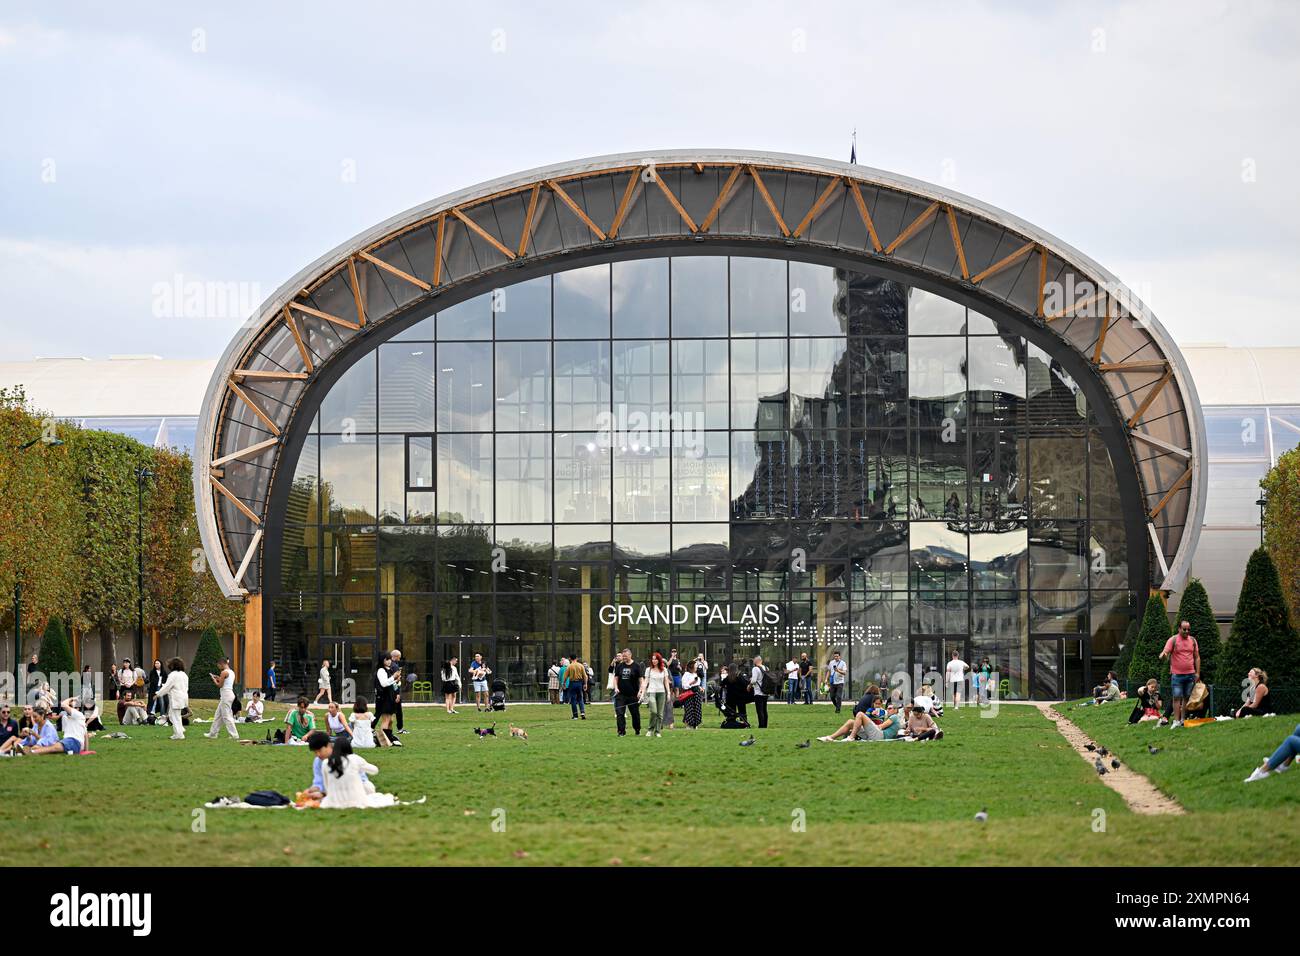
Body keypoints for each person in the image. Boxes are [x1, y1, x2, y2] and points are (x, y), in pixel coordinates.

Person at [320, 737, 393, 809]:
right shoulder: (354, 758)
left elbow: (327, 785)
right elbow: (374, 770)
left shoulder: (326, 763)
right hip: (356, 800)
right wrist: (360, 768)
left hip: (334, 801)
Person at [1158, 619, 1201, 728]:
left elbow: (1197, 657)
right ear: (1179, 629)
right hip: (1177, 675)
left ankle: (1183, 720)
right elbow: (1165, 652)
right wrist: (1163, 655)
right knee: (1176, 698)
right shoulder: (1173, 640)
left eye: (1188, 629)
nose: (1187, 631)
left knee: (1186, 698)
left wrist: (1197, 673)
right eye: (1184, 629)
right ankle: (1176, 721)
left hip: (1190, 674)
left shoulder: (1193, 641)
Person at [205, 657, 240, 740]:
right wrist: (218, 678)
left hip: (226, 695)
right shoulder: (231, 672)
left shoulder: (224, 672)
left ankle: (234, 735)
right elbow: (225, 682)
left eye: (218, 665)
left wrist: (214, 679)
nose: (218, 667)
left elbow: (219, 685)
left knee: (226, 716)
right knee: (218, 715)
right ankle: (213, 734)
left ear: (221, 664)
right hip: (229, 694)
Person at [611, 649, 643, 737]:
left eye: (625, 656)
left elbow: (641, 680)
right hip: (621, 694)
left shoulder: (636, 666)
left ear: (630, 655)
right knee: (620, 713)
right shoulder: (620, 666)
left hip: (633, 694)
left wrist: (640, 691)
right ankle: (621, 731)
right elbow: (616, 678)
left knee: (635, 714)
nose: (624, 658)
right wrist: (616, 688)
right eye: (623, 656)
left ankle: (637, 729)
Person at [155, 658, 189, 740]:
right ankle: (178, 731)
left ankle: (179, 734)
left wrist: (158, 694)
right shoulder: (184, 675)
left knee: (175, 716)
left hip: (176, 697)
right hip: (183, 697)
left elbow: (167, 687)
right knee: (172, 715)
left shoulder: (173, 675)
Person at [641, 652, 671, 737]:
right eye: (652, 659)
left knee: (660, 714)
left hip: (661, 692)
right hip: (651, 692)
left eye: (655, 659)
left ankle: (657, 731)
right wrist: (643, 693)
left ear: (659, 660)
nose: (654, 661)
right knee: (654, 711)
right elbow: (645, 682)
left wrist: (668, 693)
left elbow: (666, 682)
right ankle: (650, 729)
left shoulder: (664, 670)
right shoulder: (648, 670)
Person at [375, 653, 401, 744]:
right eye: (387, 659)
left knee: (390, 720)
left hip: (390, 697)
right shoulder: (381, 670)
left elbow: (391, 684)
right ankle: (382, 741)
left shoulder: (388, 670)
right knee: (386, 719)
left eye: (390, 659)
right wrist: (393, 677)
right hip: (384, 698)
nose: (389, 661)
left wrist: (396, 682)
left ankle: (389, 738)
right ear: (382, 660)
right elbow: (384, 683)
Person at [679, 665, 703, 729]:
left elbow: (698, 683)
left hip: (697, 692)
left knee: (697, 708)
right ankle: (688, 724)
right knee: (689, 709)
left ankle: (696, 724)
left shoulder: (696, 674)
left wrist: (700, 687)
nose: (696, 668)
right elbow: (684, 686)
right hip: (689, 693)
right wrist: (692, 683)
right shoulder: (686, 675)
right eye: (695, 666)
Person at [750, 656, 770, 729]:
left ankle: (761, 725)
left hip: (758, 692)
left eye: (754, 660)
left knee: (759, 710)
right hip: (766, 691)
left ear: (756, 661)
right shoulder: (767, 668)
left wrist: (749, 685)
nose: (753, 662)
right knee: (764, 710)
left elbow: (754, 681)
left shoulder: (755, 669)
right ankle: (765, 725)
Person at [390, 649, 407, 734]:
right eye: (399, 657)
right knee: (398, 711)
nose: (399, 659)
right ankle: (400, 728)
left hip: (389, 691)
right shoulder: (395, 666)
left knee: (388, 711)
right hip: (395, 691)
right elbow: (396, 681)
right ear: (395, 657)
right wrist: (397, 693)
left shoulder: (388, 665)